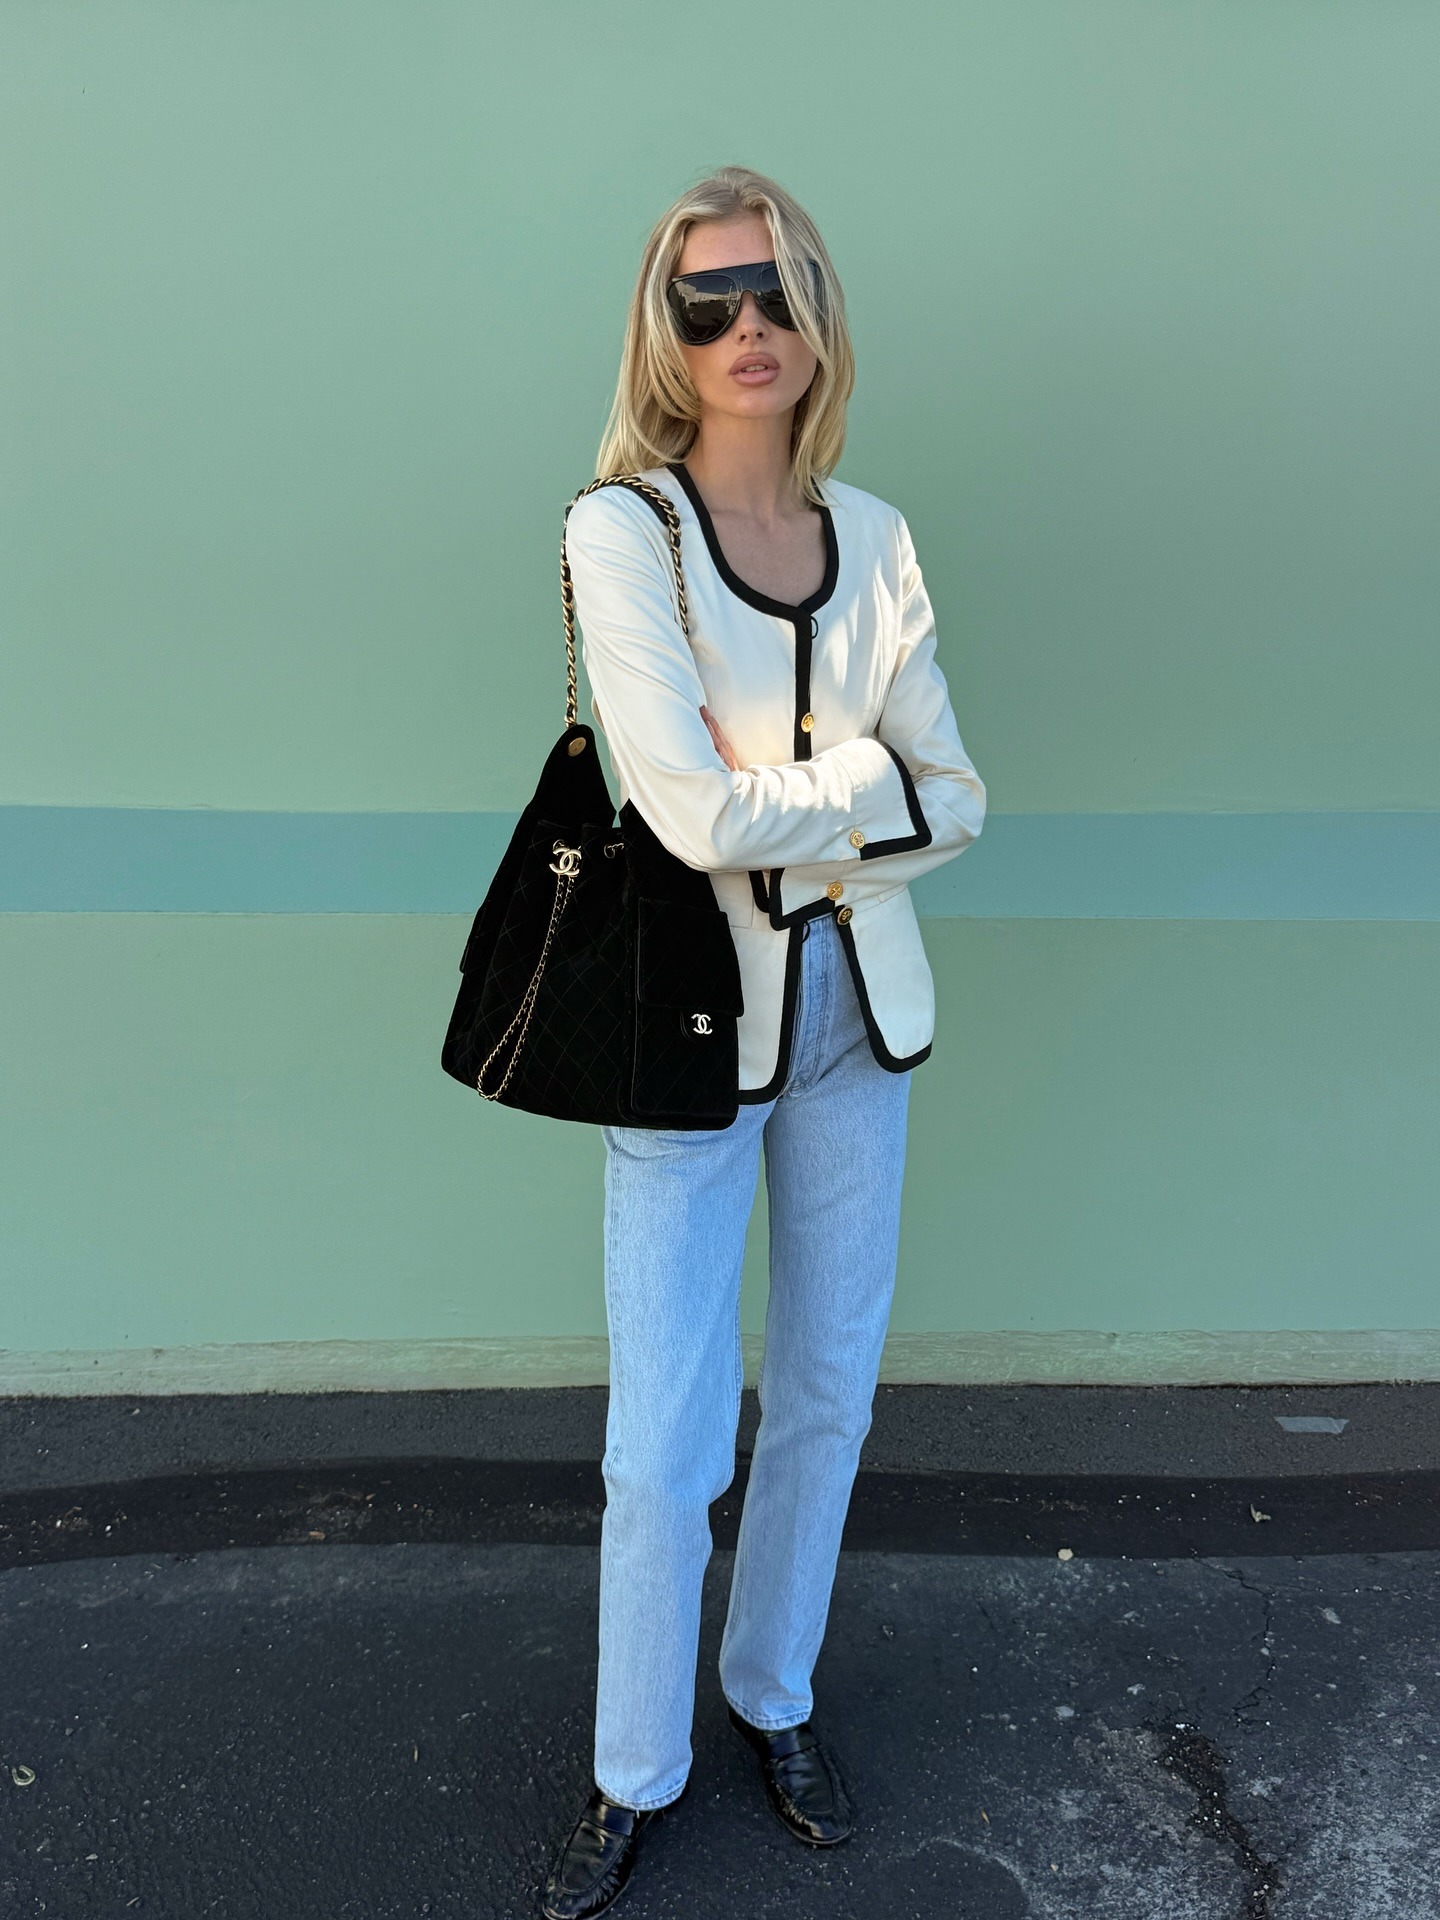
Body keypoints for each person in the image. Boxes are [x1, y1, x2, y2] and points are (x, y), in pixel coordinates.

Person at [540, 164, 986, 1919]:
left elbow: (960, 799)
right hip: (684, 1035)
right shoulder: (618, 531)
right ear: (667, 329)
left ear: (819, 312)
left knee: (826, 1391)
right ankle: (630, 1770)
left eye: (776, 291)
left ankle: (772, 1696)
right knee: (663, 1436)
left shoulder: (874, 537)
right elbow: (694, 819)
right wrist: (858, 787)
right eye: (710, 300)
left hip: (855, 1034)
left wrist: (819, 802)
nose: (749, 327)